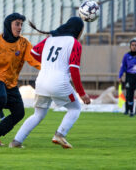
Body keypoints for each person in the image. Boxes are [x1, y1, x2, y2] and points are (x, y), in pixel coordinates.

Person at [9, 17, 91, 149]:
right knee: (75, 108)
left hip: (41, 81)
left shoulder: (50, 39)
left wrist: (49, 63)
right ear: (77, 29)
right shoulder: (74, 43)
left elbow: (33, 52)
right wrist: (82, 94)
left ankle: (16, 142)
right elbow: (74, 71)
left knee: (38, 114)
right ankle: (60, 134)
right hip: (59, 82)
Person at [0, 13, 41, 146]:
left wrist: (46, 68)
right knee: (1, 98)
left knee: (19, 113)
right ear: (8, 25)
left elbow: (33, 59)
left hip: (11, 83)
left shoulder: (24, 43)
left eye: (21, 25)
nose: (20, 27)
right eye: (17, 24)